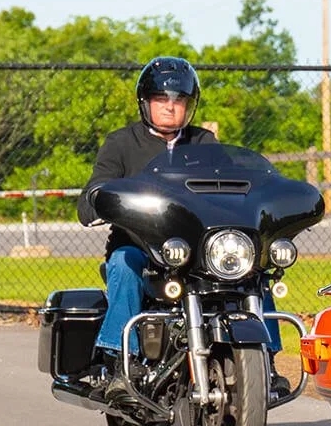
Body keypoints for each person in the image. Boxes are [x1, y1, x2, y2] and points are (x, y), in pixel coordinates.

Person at [77, 56, 284, 396]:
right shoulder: (121, 143)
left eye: (179, 101)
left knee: (255, 270)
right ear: (146, 102)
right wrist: (102, 201)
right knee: (123, 265)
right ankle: (119, 362)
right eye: (162, 100)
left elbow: (231, 191)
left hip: (198, 253)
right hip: (143, 249)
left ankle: (268, 361)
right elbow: (93, 193)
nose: (171, 108)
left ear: (190, 105)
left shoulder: (205, 144)